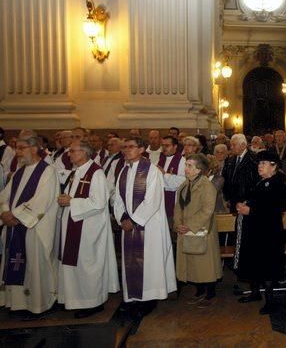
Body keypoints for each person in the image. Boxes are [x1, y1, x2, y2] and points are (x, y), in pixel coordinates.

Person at [113, 137, 176, 316]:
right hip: (129, 225)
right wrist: (123, 217)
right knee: (131, 262)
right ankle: (132, 298)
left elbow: (153, 200)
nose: (126, 150)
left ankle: (149, 299)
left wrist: (134, 221)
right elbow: (117, 198)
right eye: (124, 147)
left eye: (131, 147)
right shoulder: (124, 171)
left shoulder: (151, 171)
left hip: (149, 226)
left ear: (141, 150)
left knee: (149, 262)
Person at [56, 141, 119, 318]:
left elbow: (99, 202)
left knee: (88, 266)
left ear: (84, 153)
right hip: (74, 225)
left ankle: (93, 303)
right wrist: (65, 199)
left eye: (73, 151)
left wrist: (71, 202)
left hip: (89, 229)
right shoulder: (77, 172)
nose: (69, 154)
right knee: (76, 265)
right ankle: (75, 299)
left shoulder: (96, 173)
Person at [0, 135, 60, 318]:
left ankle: (36, 304)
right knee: (14, 262)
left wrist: (16, 216)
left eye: (21, 148)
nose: (17, 152)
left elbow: (43, 200)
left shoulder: (47, 171)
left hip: (34, 227)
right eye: (16, 148)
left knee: (34, 264)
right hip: (14, 227)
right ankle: (16, 303)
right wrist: (4, 212)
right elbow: (5, 196)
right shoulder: (19, 172)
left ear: (34, 149)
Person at [235, 150, 286, 315]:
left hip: (268, 233)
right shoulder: (261, 182)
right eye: (259, 163)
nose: (260, 166)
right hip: (256, 231)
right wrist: (243, 204)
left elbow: (274, 208)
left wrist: (249, 210)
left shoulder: (278, 184)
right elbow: (255, 200)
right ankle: (255, 292)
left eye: (263, 163)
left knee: (267, 266)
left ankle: (270, 301)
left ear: (274, 167)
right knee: (255, 263)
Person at [174, 154, 222, 308]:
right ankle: (199, 291)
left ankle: (210, 294)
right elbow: (177, 207)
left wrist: (189, 225)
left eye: (190, 166)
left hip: (202, 230)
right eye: (186, 165)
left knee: (205, 265)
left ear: (199, 170)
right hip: (186, 230)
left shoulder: (207, 186)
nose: (186, 168)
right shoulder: (184, 184)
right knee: (193, 264)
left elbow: (207, 210)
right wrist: (178, 224)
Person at [222, 134, 259, 215]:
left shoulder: (253, 160)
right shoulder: (230, 161)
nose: (231, 147)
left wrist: (249, 202)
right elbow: (226, 180)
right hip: (233, 202)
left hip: (247, 204)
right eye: (230, 145)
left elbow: (255, 183)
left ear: (243, 145)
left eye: (233, 145)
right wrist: (227, 198)